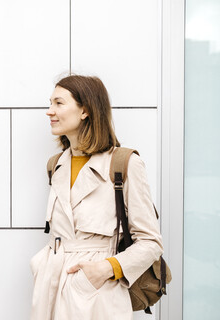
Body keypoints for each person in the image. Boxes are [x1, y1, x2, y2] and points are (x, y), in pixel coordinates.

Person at [30, 75, 163, 319]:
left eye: (59, 103)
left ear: (85, 110)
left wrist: (105, 269)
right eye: (50, 103)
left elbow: (151, 242)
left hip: (98, 294)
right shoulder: (55, 165)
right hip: (50, 287)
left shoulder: (124, 163)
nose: (50, 111)